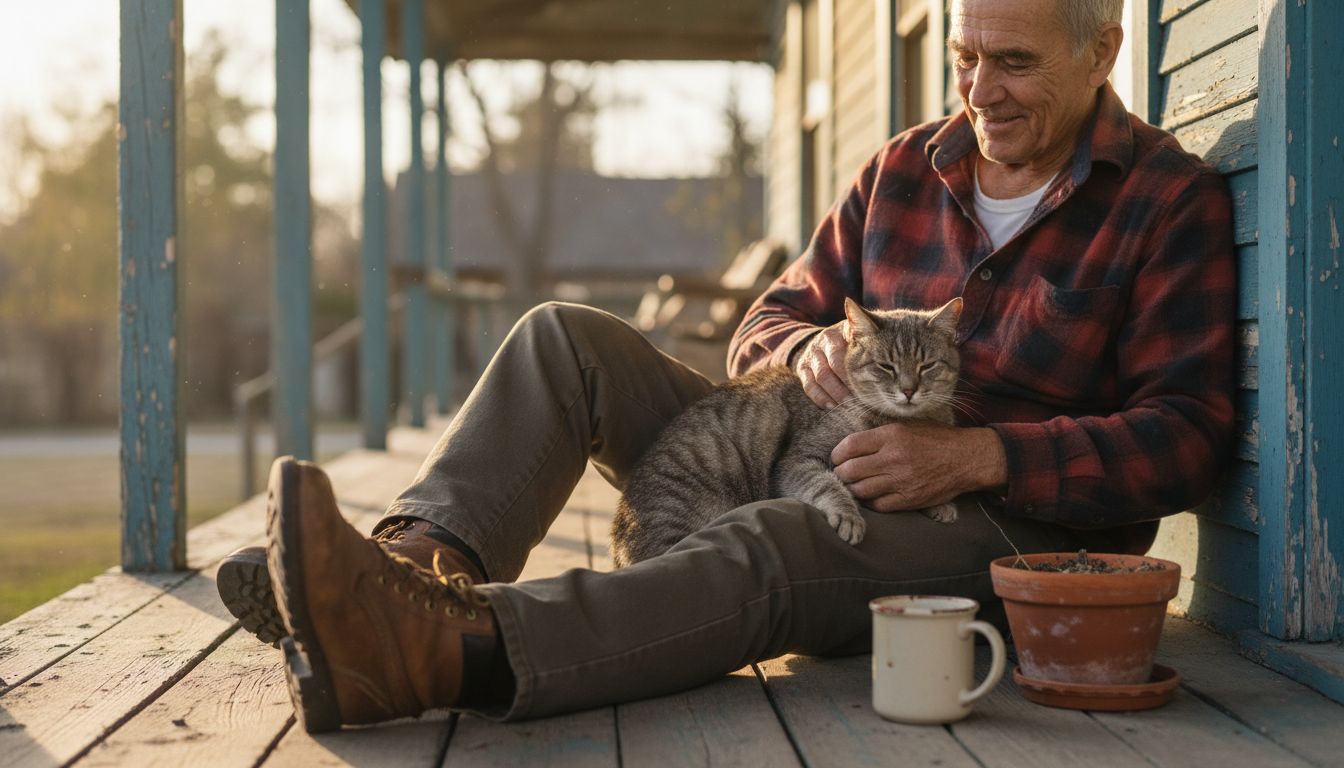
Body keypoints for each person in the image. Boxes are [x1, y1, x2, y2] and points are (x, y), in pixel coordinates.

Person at [219, 0, 1235, 731]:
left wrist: (978, 458)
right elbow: (769, 321)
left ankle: (448, 650)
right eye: (964, 58)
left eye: (1012, 62)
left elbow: (1185, 438)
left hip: (995, 530)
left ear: (1103, 50)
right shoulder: (902, 169)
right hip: (807, 435)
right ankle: (410, 574)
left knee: (778, 538)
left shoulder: (1166, 201)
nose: (979, 91)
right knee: (562, 338)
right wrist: (810, 347)